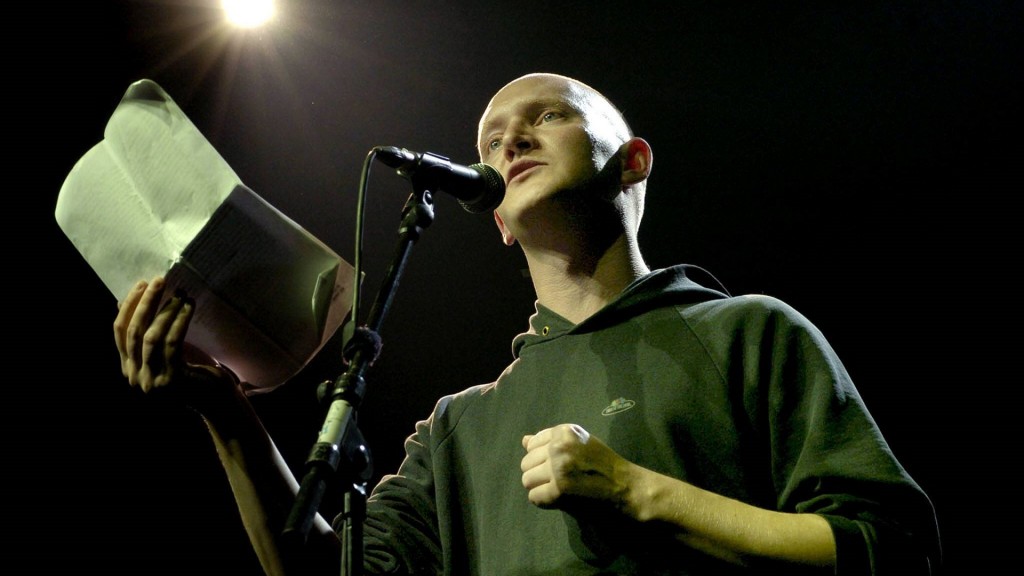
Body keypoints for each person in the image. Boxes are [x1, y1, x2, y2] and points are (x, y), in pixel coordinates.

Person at [114, 73, 942, 575]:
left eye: (546, 117)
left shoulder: (752, 334)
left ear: (633, 161)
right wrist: (224, 412)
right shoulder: (460, 428)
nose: (510, 139)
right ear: (499, 223)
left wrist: (638, 492)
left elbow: (890, 549)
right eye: (490, 140)